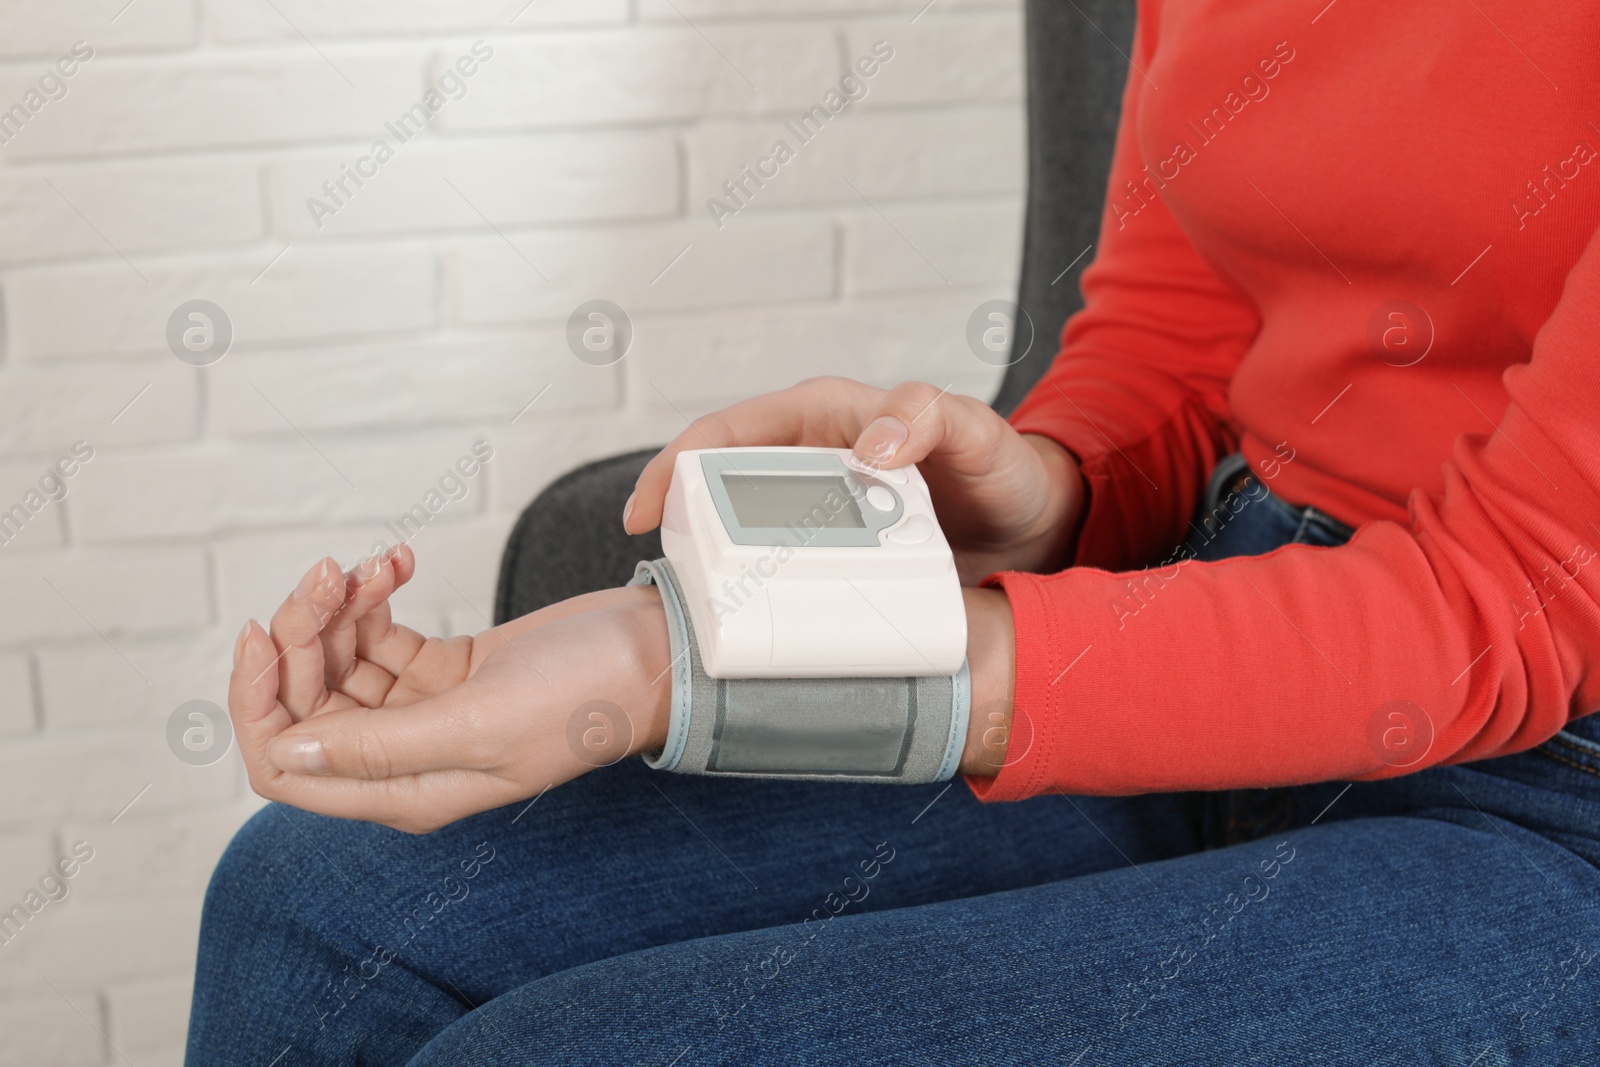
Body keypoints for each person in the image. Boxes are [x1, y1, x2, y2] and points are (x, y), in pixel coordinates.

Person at [188, 2, 1600, 1063]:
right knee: (316, 901)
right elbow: (1183, 325)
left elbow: (1518, 602)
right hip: (1211, 633)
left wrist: (690, 670)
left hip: (1544, 796)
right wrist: (1044, 489)